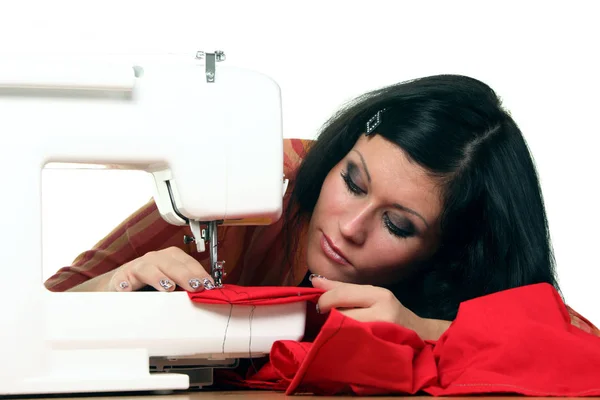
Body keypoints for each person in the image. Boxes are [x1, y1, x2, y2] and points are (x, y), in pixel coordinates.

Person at [45, 74, 599, 340]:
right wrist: (111, 286)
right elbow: (37, 310)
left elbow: (582, 348)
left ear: (449, 251)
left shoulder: (455, 280)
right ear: (337, 155)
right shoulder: (253, 181)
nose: (349, 227)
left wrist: (426, 329)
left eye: (396, 224)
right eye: (353, 182)